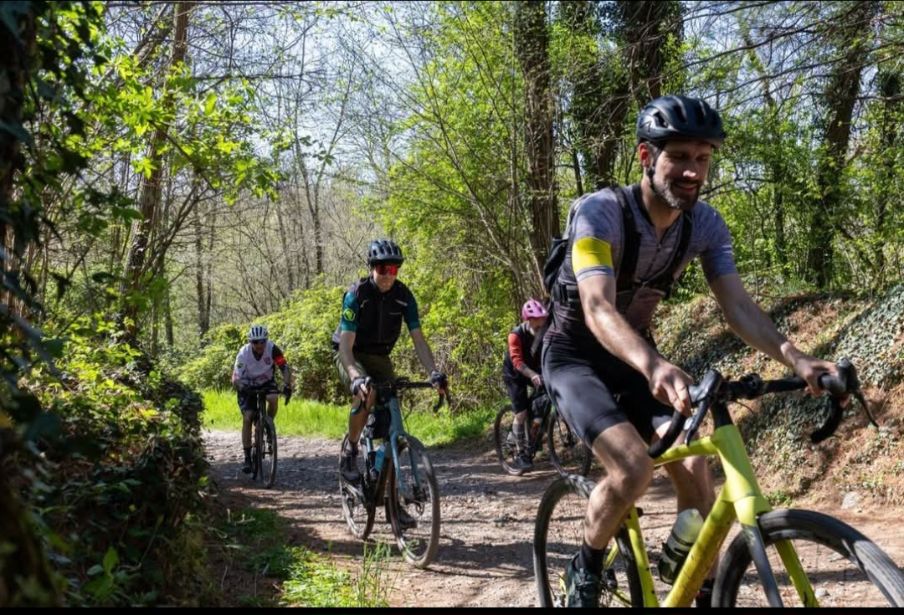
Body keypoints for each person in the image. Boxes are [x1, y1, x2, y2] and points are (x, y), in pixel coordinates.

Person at [542, 94, 844, 607]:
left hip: (637, 356)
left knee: (698, 468)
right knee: (633, 468)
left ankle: (687, 569)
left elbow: (738, 306)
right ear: (646, 156)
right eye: (679, 157)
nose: (692, 171)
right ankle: (586, 567)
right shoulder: (599, 212)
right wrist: (653, 365)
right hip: (574, 355)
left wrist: (797, 358)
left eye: (702, 159)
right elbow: (596, 306)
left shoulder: (705, 225)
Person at [332, 239, 448, 485]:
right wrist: (355, 378)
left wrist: (433, 372)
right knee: (367, 391)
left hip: (380, 356)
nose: (387, 275)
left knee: (391, 406)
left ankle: (386, 478)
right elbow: (345, 346)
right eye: (382, 268)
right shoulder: (356, 295)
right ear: (372, 268)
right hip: (350, 353)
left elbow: (418, 340)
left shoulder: (404, 296)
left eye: (393, 269)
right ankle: (350, 450)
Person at [232, 324, 293, 474]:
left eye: (262, 341)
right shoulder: (243, 353)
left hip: (266, 381)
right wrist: (241, 386)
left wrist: (287, 385)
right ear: (250, 342)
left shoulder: (272, 349)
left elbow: (284, 367)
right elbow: (236, 377)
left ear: (266, 340)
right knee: (248, 417)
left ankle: (268, 423)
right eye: (255, 342)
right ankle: (247, 457)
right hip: (247, 384)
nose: (259, 345)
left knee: (273, 397)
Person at [502, 298, 549, 471]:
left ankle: (531, 437)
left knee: (543, 402)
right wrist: (533, 375)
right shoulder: (515, 335)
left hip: (534, 370)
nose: (540, 329)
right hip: (514, 374)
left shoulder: (546, 331)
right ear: (528, 321)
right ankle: (521, 454)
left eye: (542, 323)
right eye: (537, 325)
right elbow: (517, 362)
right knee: (521, 413)